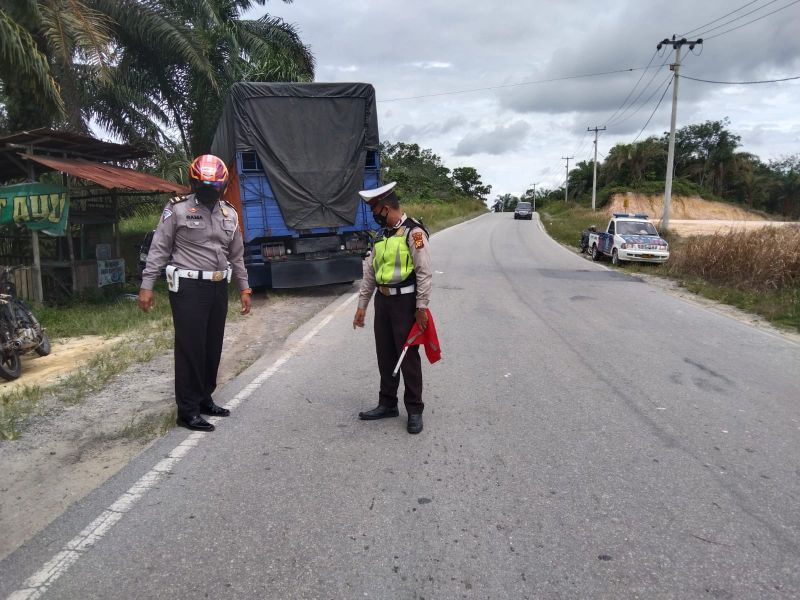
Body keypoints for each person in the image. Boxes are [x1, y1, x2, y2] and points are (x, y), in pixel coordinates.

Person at [138, 154, 252, 432]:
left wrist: (244, 287)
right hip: (188, 288)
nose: (209, 191)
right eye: (203, 185)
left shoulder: (229, 213)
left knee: (212, 346)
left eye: (214, 186)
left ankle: (204, 398)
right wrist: (147, 285)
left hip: (217, 287)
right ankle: (187, 410)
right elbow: (159, 249)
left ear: (223, 186)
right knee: (191, 348)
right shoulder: (176, 210)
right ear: (193, 183)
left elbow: (236, 255)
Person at [353, 182, 432, 434]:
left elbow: (424, 272)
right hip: (383, 302)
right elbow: (369, 274)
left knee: (407, 357)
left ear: (386, 208)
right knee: (385, 355)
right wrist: (362, 305)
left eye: (375, 210)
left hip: (405, 304)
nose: (374, 215)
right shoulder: (380, 236)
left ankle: (415, 409)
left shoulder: (414, 232)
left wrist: (421, 307)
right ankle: (387, 404)